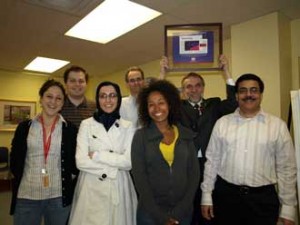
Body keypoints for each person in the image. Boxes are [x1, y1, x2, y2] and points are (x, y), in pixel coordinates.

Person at [201, 74, 297, 225]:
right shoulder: (222, 123)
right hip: (226, 197)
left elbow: (287, 168)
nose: (248, 95)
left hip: (263, 200)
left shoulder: (277, 126)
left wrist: (288, 207)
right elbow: (212, 161)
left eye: (254, 90)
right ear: (237, 95)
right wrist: (206, 195)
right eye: (243, 90)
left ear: (260, 94)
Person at [160, 55, 237, 225]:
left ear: (203, 87)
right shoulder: (177, 108)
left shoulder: (214, 104)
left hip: (213, 164)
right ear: (184, 90)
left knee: (211, 207)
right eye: (189, 87)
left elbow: (233, 103)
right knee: (191, 208)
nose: (193, 90)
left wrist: (226, 71)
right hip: (187, 166)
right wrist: (162, 74)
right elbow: (158, 101)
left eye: (197, 86)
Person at [131, 80, 200, 225]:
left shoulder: (185, 135)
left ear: (170, 104)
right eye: (151, 104)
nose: (156, 108)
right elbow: (140, 179)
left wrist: (180, 211)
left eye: (161, 102)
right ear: (146, 108)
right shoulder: (140, 137)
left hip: (182, 213)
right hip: (150, 214)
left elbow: (194, 174)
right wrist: (160, 217)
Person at [10, 79, 78, 225]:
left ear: (62, 103)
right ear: (41, 99)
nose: (53, 101)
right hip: (27, 195)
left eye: (58, 98)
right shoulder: (24, 127)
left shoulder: (70, 129)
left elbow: (74, 162)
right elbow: (15, 160)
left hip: (58, 197)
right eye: (49, 96)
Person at [69, 81, 137, 225]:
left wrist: (97, 155)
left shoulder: (128, 126)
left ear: (118, 99)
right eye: (103, 96)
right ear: (97, 99)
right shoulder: (86, 124)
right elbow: (81, 161)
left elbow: (128, 162)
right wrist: (113, 168)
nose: (108, 100)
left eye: (112, 96)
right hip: (91, 187)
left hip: (119, 187)